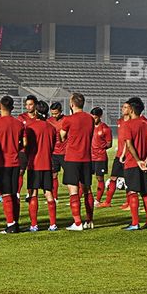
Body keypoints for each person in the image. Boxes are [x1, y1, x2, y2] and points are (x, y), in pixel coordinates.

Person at [0, 95, 25, 234]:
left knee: (6, 195)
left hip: (1, 162)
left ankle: (10, 224)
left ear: (0, 107)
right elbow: (24, 143)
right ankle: (15, 222)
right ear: (12, 108)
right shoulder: (19, 124)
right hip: (15, 162)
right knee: (14, 194)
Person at [59, 92, 94, 231]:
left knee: (73, 190)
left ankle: (78, 222)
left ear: (72, 104)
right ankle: (90, 220)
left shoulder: (68, 119)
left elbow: (62, 136)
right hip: (86, 157)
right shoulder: (90, 118)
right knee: (87, 190)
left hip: (73, 158)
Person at [121, 97, 147, 230]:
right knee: (146, 192)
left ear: (131, 109)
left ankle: (135, 223)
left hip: (133, 163)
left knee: (133, 192)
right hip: (144, 163)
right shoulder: (146, 124)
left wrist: (138, 160)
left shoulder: (128, 125)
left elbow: (129, 144)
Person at [25, 101, 58, 232]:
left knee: (33, 194)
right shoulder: (52, 128)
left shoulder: (30, 127)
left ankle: (34, 225)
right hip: (47, 164)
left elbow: (27, 146)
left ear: (36, 112)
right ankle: (53, 224)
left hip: (34, 164)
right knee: (49, 194)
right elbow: (53, 145)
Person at [98, 103, 130, 209]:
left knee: (128, 180)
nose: (123, 109)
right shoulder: (120, 121)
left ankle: (129, 202)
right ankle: (107, 201)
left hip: (128, 155)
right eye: (123, 107)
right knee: (113, 178)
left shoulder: (132, 122)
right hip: (119, 155)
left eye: (126, 107)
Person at [90, 107, 112, 205]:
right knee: (84, 178)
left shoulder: (105, 128)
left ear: (100, 117)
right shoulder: (88, 127)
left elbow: (109, 143)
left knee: (100, 178)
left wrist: (100, 148)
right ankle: (80, 197)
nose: (93, 120)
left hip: (100, 157)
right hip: (89, 157)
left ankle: (97, 200)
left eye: (94, 118)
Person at [47, 102, 66, 201]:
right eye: (52, 113)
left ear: (61, 111)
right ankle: (54, 197)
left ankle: (76, 196)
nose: (54, 116)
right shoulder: (49, 121)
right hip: (53, 152)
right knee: (53, 174)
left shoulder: (66, 120)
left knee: (71, 175)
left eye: (56, 113)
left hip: (66, 152)